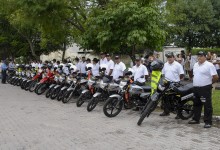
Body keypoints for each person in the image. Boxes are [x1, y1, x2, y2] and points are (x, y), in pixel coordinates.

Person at [188, 51, 219, 128]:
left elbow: (215, 77)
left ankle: (208, 121)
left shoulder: (209, 65)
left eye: (201, 56)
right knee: (196, 104)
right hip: (196, 88)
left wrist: (209, 83)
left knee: (207, 105)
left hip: (205, 88)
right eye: (198, 56)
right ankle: (196, 119)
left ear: (205, 57)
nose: (199, 57)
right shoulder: (195, 65)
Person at [160, 52, 184, 117]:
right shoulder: (165, 64)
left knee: (177, 98)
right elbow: (163, 74)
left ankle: (179, 114)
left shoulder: (178, 65)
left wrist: (177, 80)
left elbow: (181, 74)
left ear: (173, 57)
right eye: (168, 57)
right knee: (165, 97)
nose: (169, 58)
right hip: (167, 84)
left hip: (175, 84)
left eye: (170, 57)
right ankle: (166, 111)